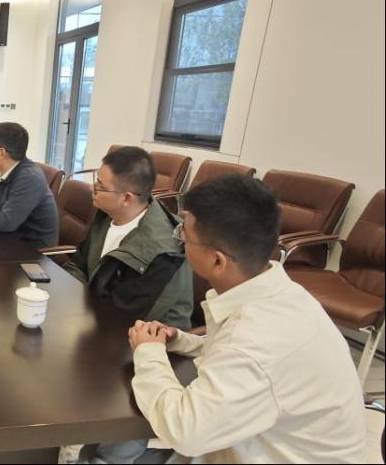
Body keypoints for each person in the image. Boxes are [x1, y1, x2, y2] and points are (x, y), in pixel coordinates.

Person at [121, 175, 366, 464]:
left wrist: (148, 353)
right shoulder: (279, 293)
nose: (180, 241)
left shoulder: (255, 337)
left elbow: (186, 430)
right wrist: (182, 342)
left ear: (217, 260)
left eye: (184, 235)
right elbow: (239, 357)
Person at [63, 147, 193, 330]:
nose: (92, 188)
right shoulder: (107, 214)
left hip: (144, 339)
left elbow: (123, 318)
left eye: (100, 185)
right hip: (96, 319)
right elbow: (79, 264)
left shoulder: (160, 252)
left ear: (126, 198)